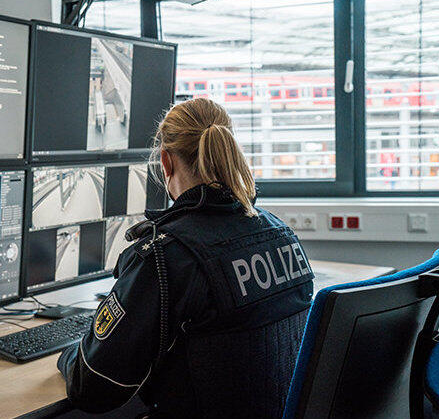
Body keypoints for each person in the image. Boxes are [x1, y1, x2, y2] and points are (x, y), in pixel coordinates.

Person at [57, 98, 315, 418]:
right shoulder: (281, 234)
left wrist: (69, 354)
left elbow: (92, 387)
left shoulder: (164, 258)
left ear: (166, 162)